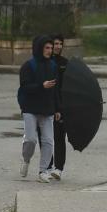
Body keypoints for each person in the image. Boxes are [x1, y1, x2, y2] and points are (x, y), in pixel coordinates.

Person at [18, 36, 60, 183]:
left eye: (51, 48)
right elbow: (24, 87)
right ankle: (26, 159)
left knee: (48, 141)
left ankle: (43, 171)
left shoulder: (53, 66)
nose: (50, 51)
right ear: (39, 48)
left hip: (47, 108)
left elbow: (56, 90)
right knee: (30, 139)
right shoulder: (28, 66)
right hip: (30, 108)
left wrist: (57, 108)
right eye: (46, 48)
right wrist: (41, 86)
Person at [48, 33, 68, 180]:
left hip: (61, 106)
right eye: (56, 44)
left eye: (60, 44)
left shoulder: (65, 63)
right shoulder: (45, 62)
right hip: (47, 106)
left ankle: (59, 168)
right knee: (46, 138)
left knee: (59, 137)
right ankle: (47, 167)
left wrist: (61, 107)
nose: (58, 46)